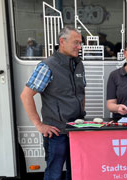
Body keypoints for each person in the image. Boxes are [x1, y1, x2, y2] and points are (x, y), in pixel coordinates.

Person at [20, 26, 86, 180]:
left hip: (77, 130)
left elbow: (82, 92)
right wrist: (39, 125)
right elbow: (26, 96)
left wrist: (82, 114)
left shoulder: (78, 64)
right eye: (76, 43)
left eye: (80, 43)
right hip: (57, 133)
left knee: (75, 173)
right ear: (62, 41)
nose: (79, 47)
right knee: (54, 174)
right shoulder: (47, 66)